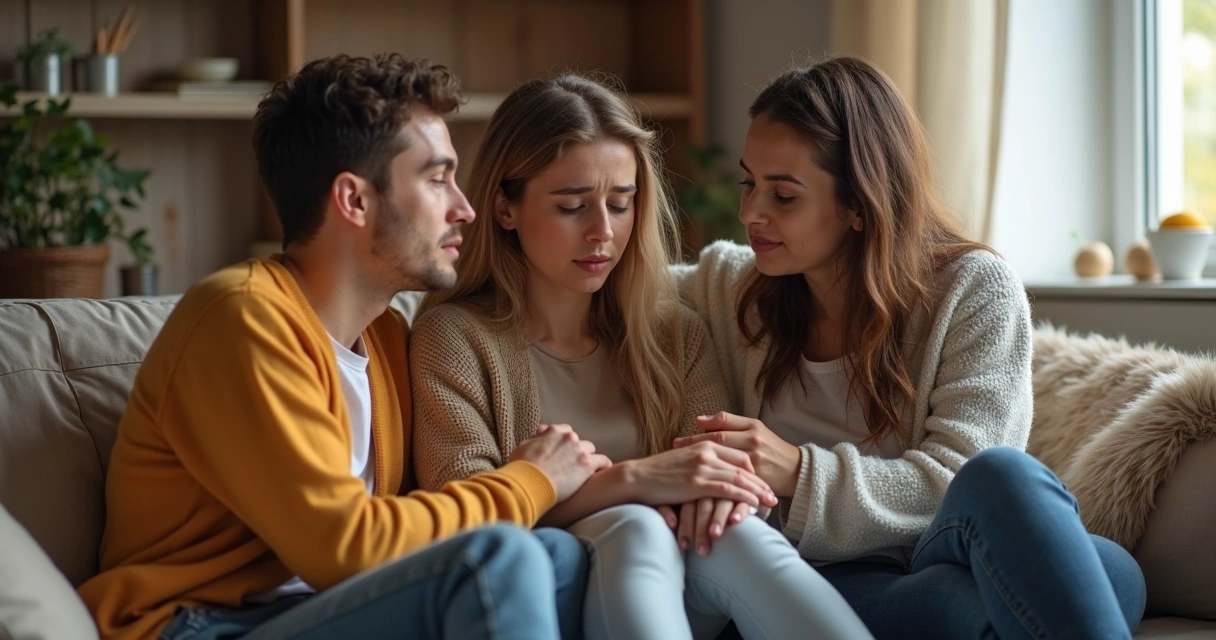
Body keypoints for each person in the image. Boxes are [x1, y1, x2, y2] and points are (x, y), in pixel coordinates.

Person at [77, 54, 609, 640]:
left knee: (558, 557)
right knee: (495, 559)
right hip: (194, 625)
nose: (466, 208)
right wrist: (528, 481)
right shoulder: (243, 317)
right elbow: (346, 546)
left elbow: (405, 530)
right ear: (354, 201)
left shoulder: (384, 337)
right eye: (437, 179)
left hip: (320, 611)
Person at [672, 57, 1147, 639]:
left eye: (784, 195)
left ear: (857, 204)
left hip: (941, 548)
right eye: (749, 183)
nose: (750, 213)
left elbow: (957, 480)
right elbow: (614, 286)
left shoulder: (972, 289)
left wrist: (799, 470)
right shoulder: (730, 286)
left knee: (1037, 504)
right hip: (817, 579)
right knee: (1002, 598)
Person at [409, 74, 873, 640]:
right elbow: (463, 519)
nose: (602, 232)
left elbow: (711, 473)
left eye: (620, 204)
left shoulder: (674, 333)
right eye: (572, 206)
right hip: (545, 596)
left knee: (737, 532)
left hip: (681, 584)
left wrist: (700, 492)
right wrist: (638, 481)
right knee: (635, 525)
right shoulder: (452, 339)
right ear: (506, 208)